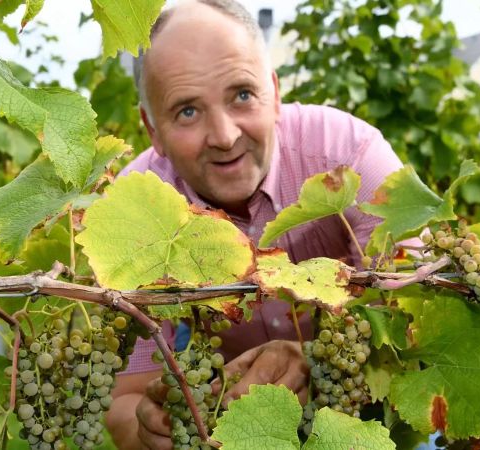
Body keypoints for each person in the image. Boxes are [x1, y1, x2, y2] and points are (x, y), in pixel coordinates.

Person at [104, 1, 405, 448]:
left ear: (275, 93)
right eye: (187, 111)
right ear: (153, 131)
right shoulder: (132, 214)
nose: (224, 136)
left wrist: (315, 358)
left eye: (242, 94)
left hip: (371, 411)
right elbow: (124, 402)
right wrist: (150, 430)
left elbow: (417, 326)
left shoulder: (352, 157)